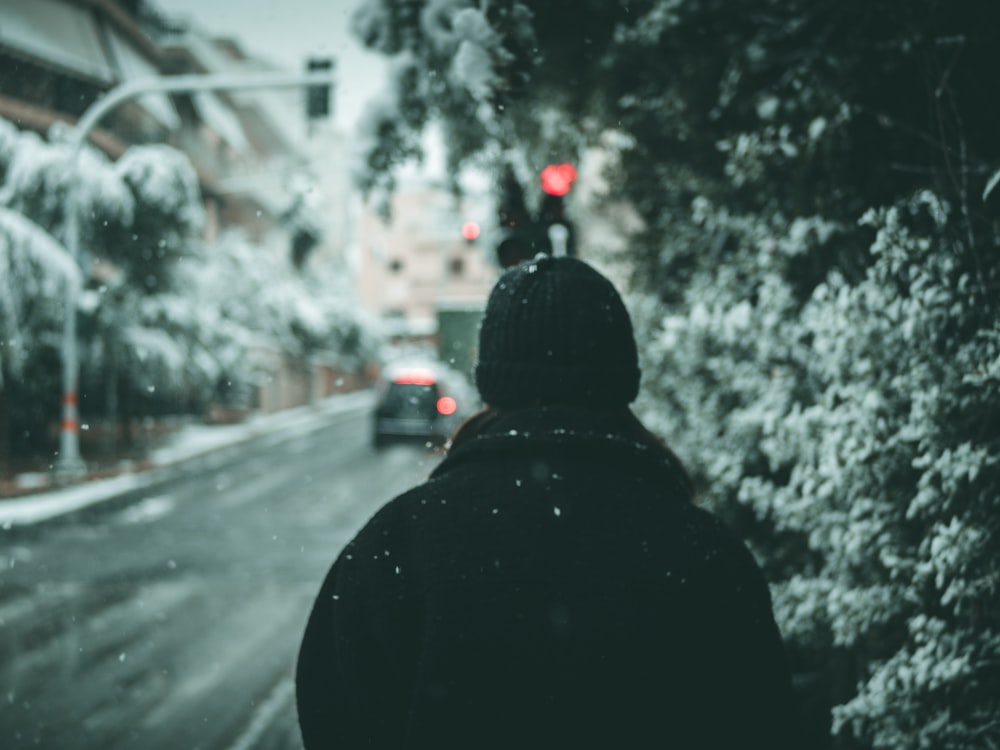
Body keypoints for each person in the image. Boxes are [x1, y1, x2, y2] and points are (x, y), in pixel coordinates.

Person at [296, 255, 800, 748]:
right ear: (622, 378)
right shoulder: (705, 555)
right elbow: (762, 724)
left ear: (491, 379)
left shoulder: (397, 545)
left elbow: (332, 714)